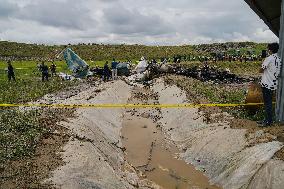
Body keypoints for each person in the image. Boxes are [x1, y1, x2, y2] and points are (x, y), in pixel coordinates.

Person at [257, 43, 281, 127]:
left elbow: (261, 70)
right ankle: (267, 119)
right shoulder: (278, 59)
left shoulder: (269, 58)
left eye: (268, 49)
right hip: (273, 84)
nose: (267, 50)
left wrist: (262, 62)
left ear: (270, 50)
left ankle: (268, 121)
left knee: (268, 104)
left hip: (266, 84)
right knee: (269, 103)